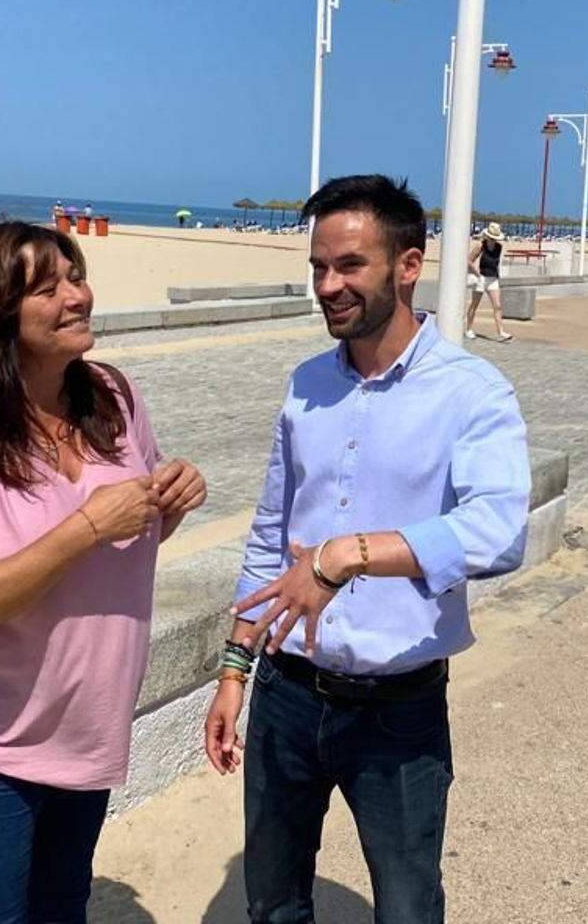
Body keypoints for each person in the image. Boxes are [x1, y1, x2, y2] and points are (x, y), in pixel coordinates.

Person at [204, 175, 530, 924]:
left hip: (399, 707)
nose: (328, 285)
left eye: (350, 266)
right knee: (274, 903)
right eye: (319, 267)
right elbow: (269, 536)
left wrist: (349, 553)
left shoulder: (472, 393)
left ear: (408, 266)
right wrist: (234, 669)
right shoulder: (306, 385)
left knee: (408, 907)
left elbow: (499, 530)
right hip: (287, 692)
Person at [0, 220, 206, 922]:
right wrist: (87, 525)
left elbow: (125, 549)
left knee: (62, 910)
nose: (77, 296)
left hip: (86, 734)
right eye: (47, 287)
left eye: (77, 276)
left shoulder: (112, 396)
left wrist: (166, 504)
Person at [463, 221, 513, 341]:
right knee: (475, 304)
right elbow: (469, 260)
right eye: (492, 238)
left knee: (497, 306)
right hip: (481, 277)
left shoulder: (499, 247)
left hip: (493, 278)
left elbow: (495, 262)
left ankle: (501, 331)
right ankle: (468, 329)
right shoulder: (481, 245)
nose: (494, 240)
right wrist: (476, 273)